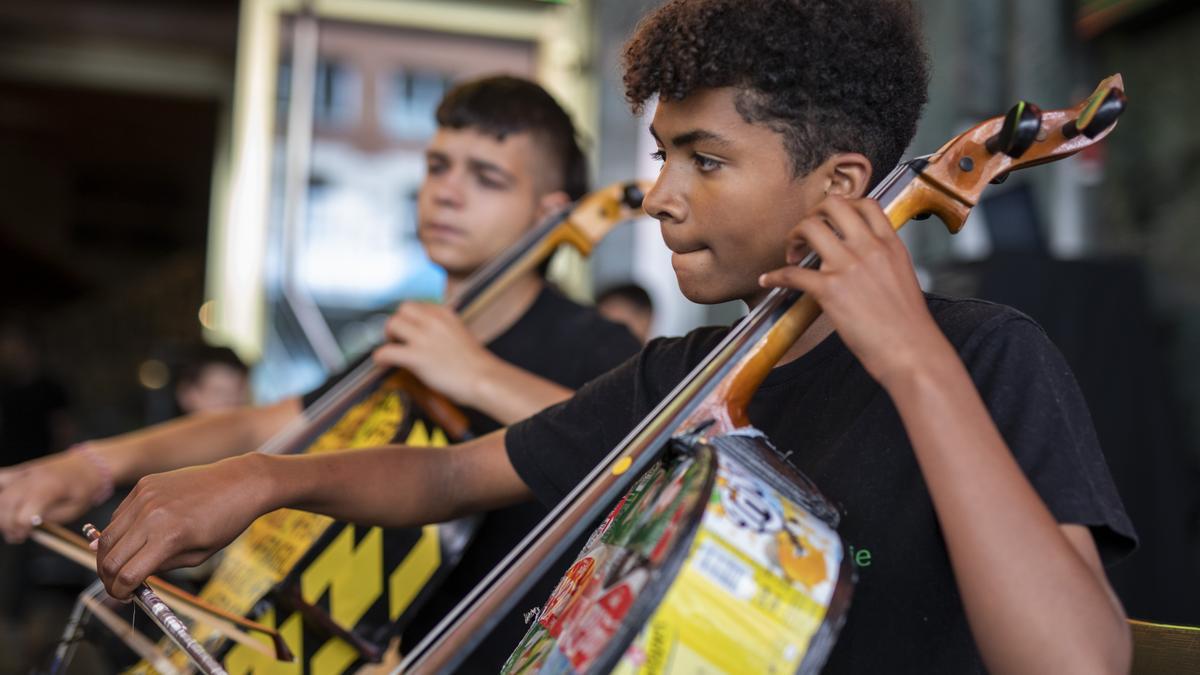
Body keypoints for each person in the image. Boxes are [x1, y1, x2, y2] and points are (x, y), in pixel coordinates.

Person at [84, 1, 1137, 672]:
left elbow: (1074, 660)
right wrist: (264, 477)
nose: (662, 198)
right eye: (661, 156)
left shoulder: (990, 356)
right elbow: (449, 479)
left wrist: (911, 360)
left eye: (705, 160)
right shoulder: (682, 382)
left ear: (841, 189)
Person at [0, 75, 640, 667]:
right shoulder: (407, 338)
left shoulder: (593, 345)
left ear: (550, 213)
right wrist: (93, 466)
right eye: (438, 166)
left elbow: (632, 456)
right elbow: (264, 423)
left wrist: (473, 374)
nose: (446, 191)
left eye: (487, 178)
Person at [173, 345, 251, 415]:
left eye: (240, 391)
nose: (234, 402)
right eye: (220, 393)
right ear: (188, 395)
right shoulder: (166, 430)